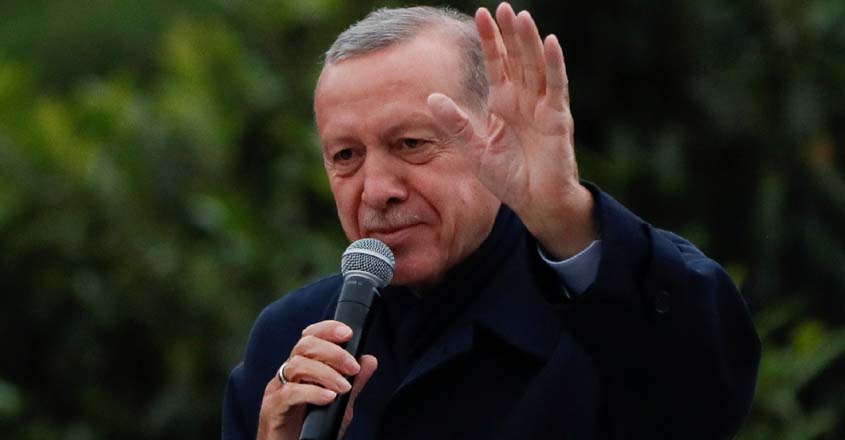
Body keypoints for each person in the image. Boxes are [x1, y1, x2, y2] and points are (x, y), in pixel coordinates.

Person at [223, 3, 761, 439]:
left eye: (411, 144)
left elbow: (707, 399)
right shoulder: (289, 346)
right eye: (345, 156)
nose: (377, 190)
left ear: (495, 133)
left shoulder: (602, 311)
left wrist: (565, 216)